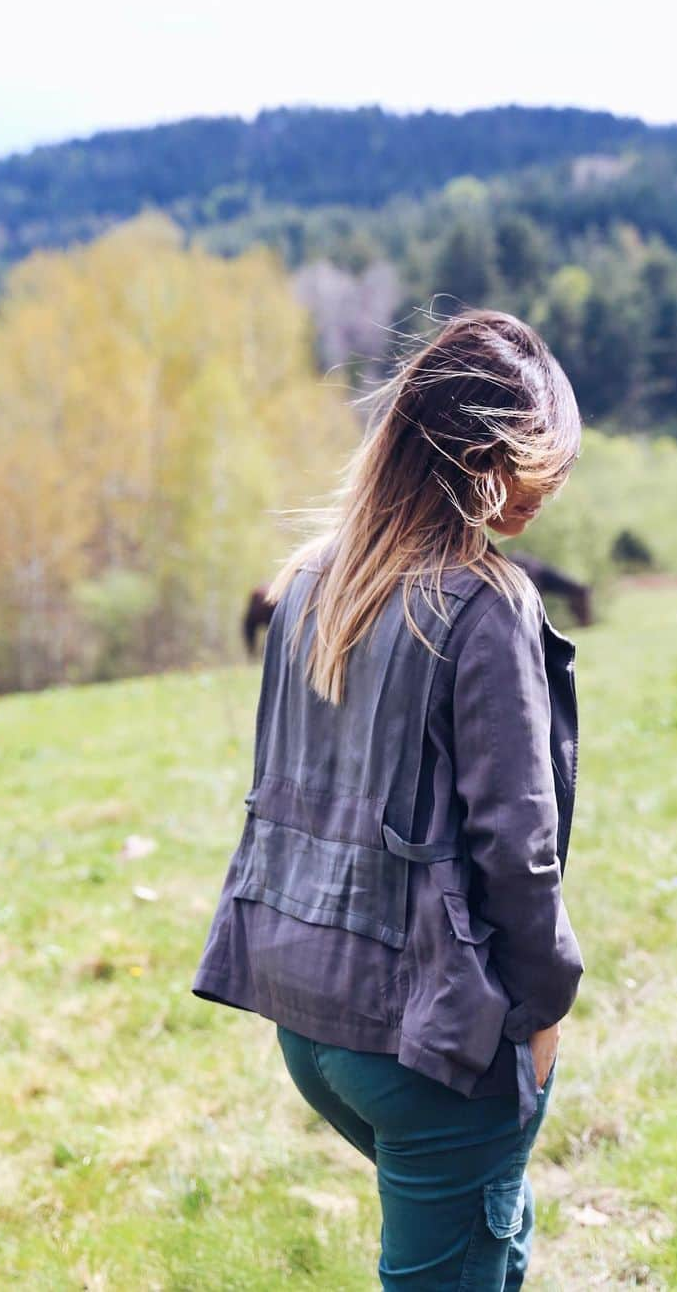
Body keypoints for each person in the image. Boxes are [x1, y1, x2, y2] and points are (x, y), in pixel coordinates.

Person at [192, 308, 585, 1289]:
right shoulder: (484, 603)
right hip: (429, 1040)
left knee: (488, 1227)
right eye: (534, 461)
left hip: (311, 1017)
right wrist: (542, 1015)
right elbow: (518, 853)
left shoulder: (312, 581)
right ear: (482, 457)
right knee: (462, 1238)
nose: (545, 489)